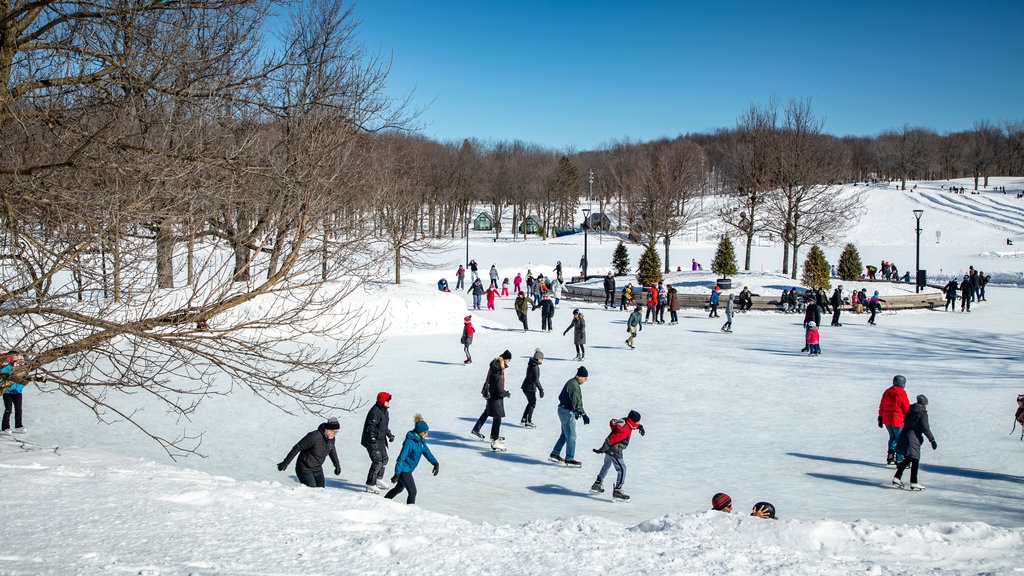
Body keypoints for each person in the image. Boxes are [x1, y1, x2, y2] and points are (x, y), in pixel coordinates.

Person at [590, 410, 645, 501]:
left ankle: (597, 483)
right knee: (622, 469)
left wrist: (640, 427)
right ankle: (618, 490)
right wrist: (602, 449)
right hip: (614, 450)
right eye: (638, 421)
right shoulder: (625, 430)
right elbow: (611, 439)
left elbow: (624, 423)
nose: (639, 422)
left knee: (606, 465)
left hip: (610, 449)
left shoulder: (625, 421)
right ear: (633, 421)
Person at [385, 414, 439, 505]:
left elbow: (427, 453)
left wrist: (435, 463)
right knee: (413, 492)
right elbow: (400, 459)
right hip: (404, 470)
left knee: (398, 489)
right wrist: (397, 474)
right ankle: (411, 512)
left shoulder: (421, 442)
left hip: (408, 469)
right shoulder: (409, 442)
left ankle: (384, 501)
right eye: (425, 432)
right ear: (420, 432)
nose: (427, 434)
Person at [277, 417, 342, 488]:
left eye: (337, 432)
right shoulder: (314, 436)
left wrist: (337, 465)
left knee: (321, 491)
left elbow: (332, 450)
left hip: (317, 468)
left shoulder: (331, 439)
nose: (335, 435)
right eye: (334, 432)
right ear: (327, 430)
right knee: (312, 491)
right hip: (304, 468)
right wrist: (285, 463)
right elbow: (297, 447)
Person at [892, 394, 937, 491]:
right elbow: (925, 428)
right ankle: (914, 482)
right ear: (924, 403)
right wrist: (932, 440)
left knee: (909, 458)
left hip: (905, 435)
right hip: (913, 438)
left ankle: (897, 478)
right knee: (915, 459)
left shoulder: (910, 410)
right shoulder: (922, 412)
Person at [471, 350, 512, 451]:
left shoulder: (496, 366)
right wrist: (505, 393)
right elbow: (497, 387)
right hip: (494, 398)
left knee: (491, 414)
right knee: (496, 418)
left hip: (492, 396)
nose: (509, 363)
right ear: (506, 360)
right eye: (509, 360)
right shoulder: (497, 371)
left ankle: (493, 437)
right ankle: (494, 439)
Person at [549, 366, 590, 467]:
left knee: (565, 434)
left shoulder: (573, 383)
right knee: (571, 436)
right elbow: (576, 401)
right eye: (585, 377)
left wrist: (576, 412)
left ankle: (555, 453)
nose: (586, 380)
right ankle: (569, 458)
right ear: (579, 376)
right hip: (566, 412)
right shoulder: (574, 385)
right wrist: (583, 414)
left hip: (564, 410)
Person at [1, 353, 45, 435]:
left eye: (22, 361)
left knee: (18, 410)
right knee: (8, 410)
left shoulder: (22, 370)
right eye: (19, 360)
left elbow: (26, 379)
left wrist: (21, 386)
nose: (21, 362)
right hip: (8, 392)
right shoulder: (8, 368)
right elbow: (1, 376)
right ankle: (5, 427)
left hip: (18, 392)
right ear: (15, 360)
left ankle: (18, 426)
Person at [361, 392, 396, 494]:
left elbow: (383, 426)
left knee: (385, 459)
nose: (389, 403)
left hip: (380, 440)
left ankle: (378, 479)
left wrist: (389, 434)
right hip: (371, 441)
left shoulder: (384, 411)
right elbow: (370, 427)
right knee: (377, 461)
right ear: (382, 401)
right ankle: (370, 484)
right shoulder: (375, 412)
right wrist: (372, 440)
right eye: (387, 401)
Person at [878, 375, 911, 466]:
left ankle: (891, 455)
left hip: (886, 418)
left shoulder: (887, 391)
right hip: (897, 419)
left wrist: (880, 417)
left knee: (892, 437)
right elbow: (906, 407)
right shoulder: (902, 393)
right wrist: (909, 417)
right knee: (900, 439)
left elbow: (882, 404)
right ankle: (900, 458)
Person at [520, 349, 544, 428]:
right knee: (532, 403)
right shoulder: (535, 366)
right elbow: (536, 380)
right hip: (529, 387)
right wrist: (541, 390)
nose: (542, 360)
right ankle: (528, 421)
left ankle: (524, 418)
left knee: (530, 402)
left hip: (526, 386)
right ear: (538, 358)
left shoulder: (532, 364)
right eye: (542, 359)